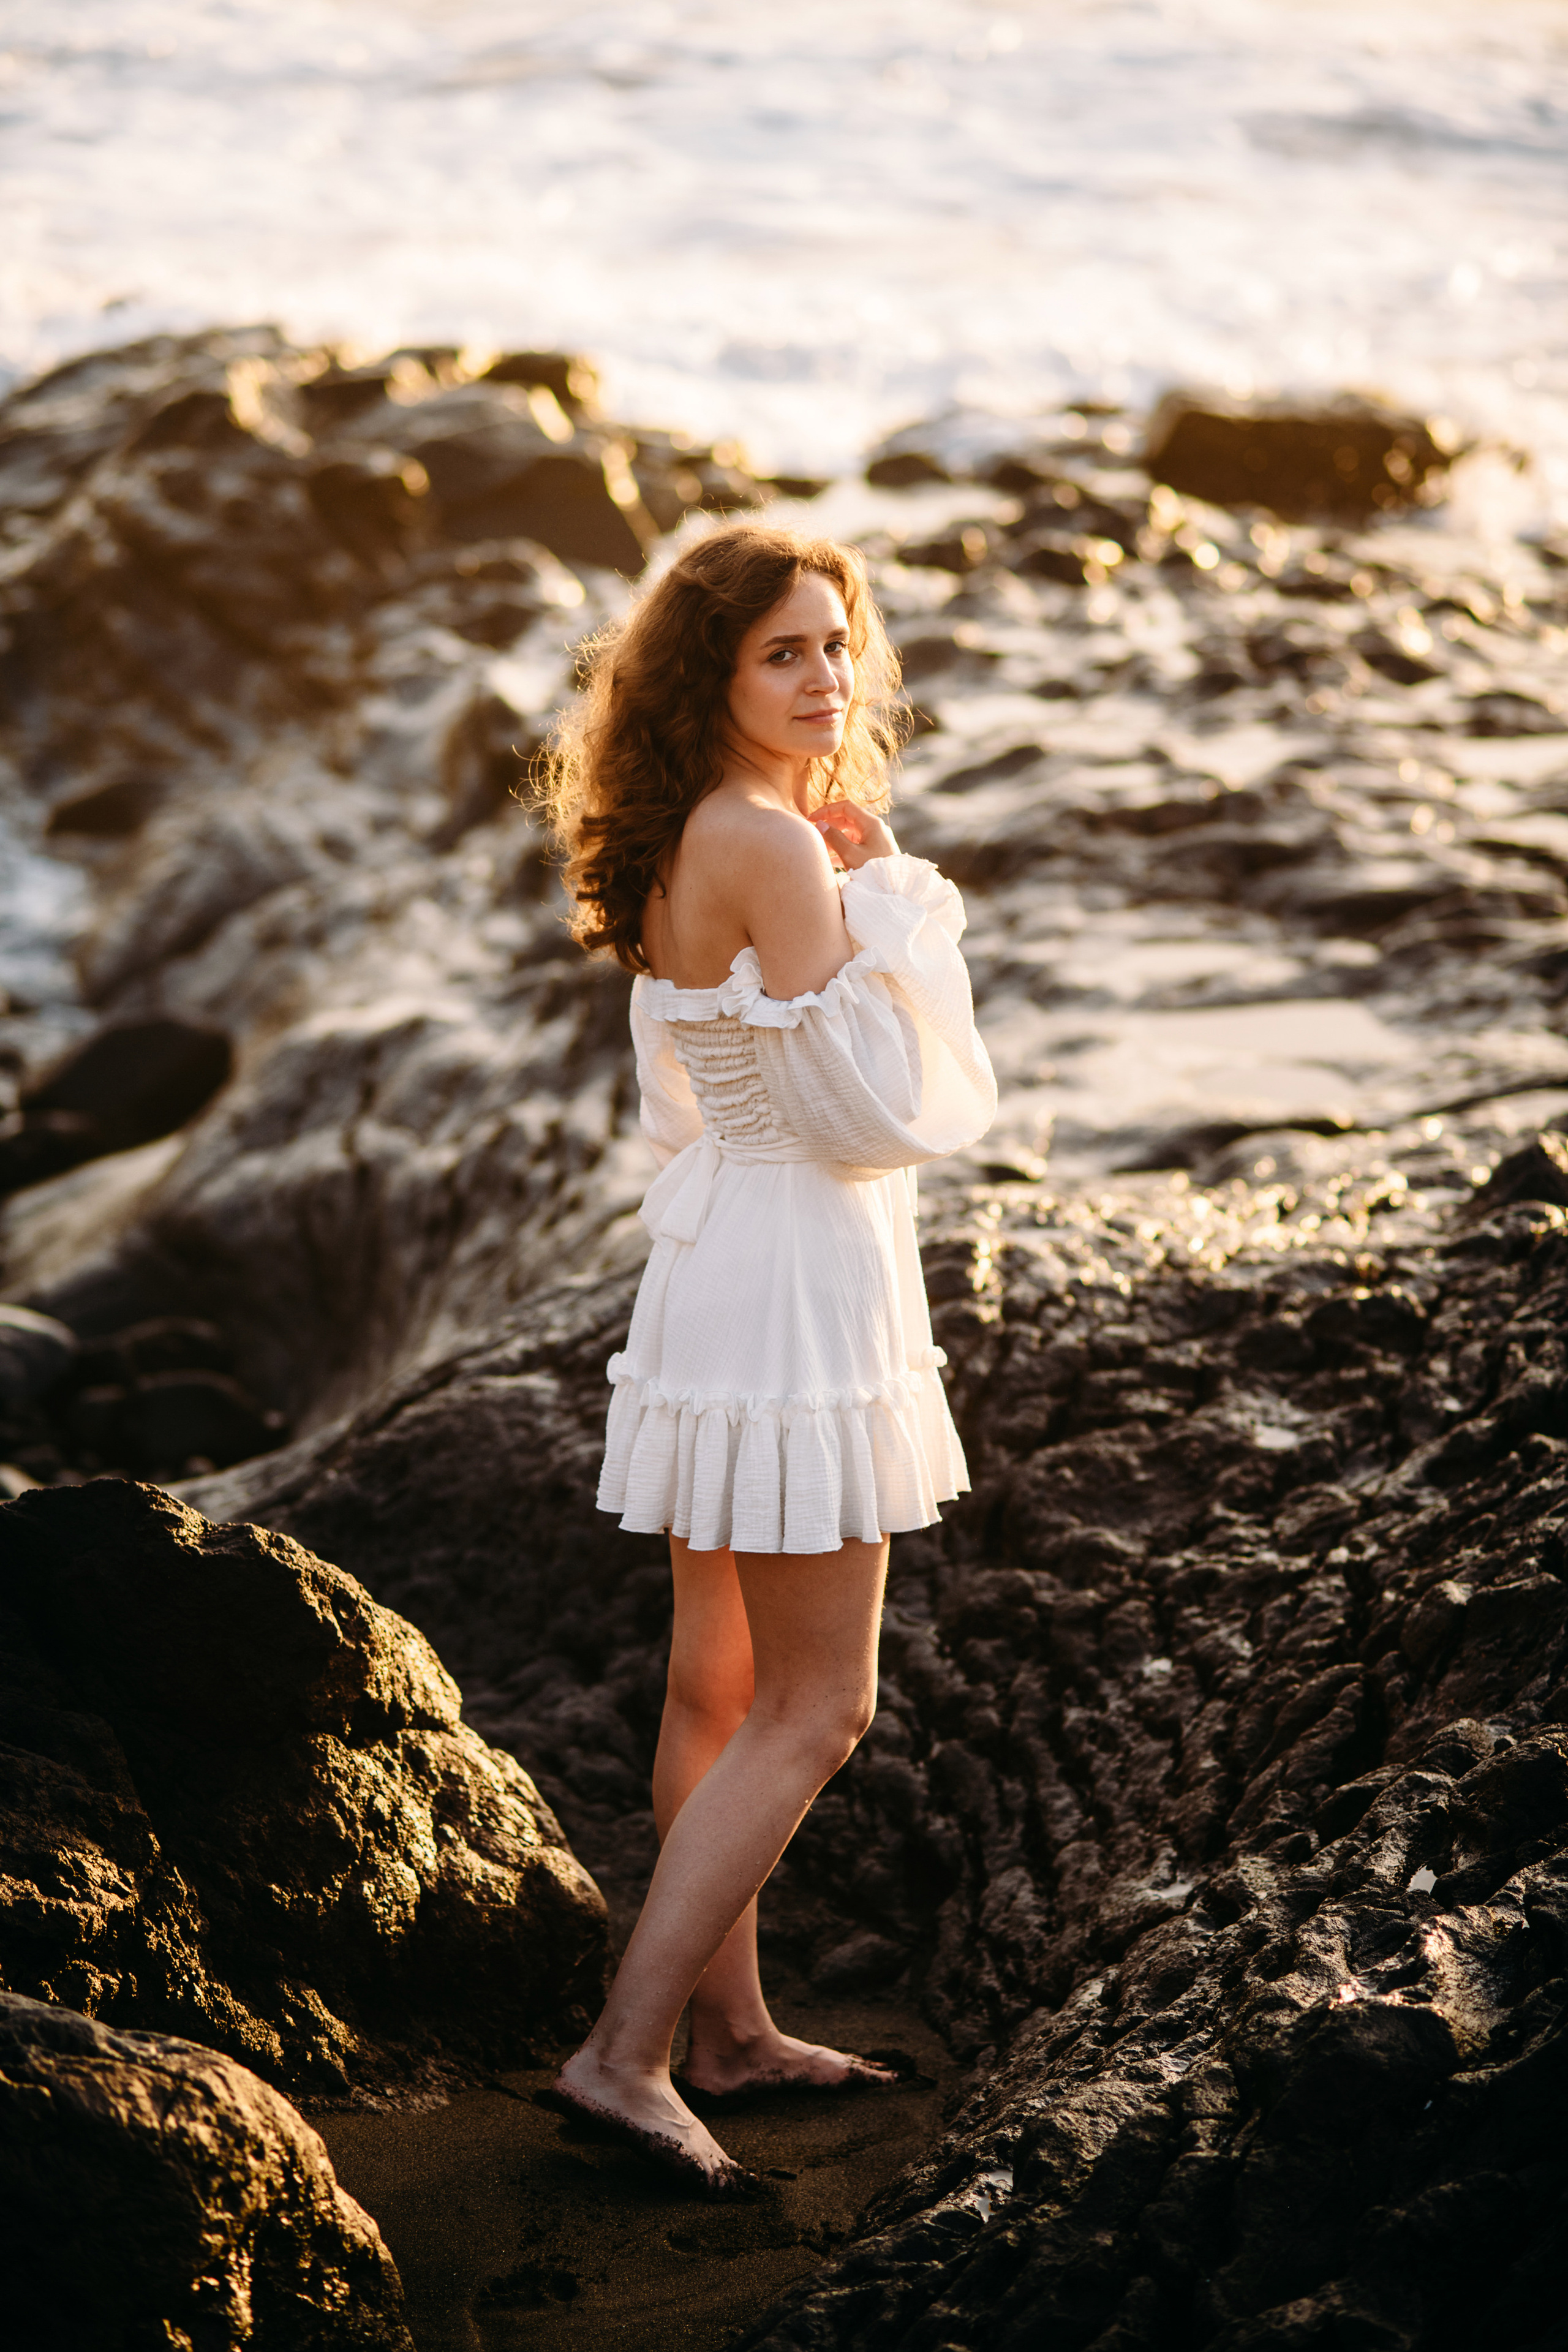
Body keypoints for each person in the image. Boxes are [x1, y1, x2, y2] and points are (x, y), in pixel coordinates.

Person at [539, 522, 996, 2196]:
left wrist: (845, 888)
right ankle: (627, 2052)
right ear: (712, 678)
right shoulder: (775, 843)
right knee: (821, 1703)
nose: (826, 679)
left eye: (838, 645)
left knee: (716, 1688)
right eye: (783, 653)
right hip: (797, 1272)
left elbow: (709, 1085)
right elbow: (880, 1106)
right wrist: (897, 900)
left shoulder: (689, 834)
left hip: (718, 1253)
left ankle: (728, 2034)